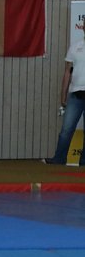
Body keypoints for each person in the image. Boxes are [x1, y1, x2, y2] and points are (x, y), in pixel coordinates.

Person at [43, 23, 85, 166]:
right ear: (83, 27)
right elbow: (67, 72)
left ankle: (84, 162)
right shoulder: (75, 47)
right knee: (66, 129)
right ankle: (59, 159)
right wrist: (63, 95)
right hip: (75, 95)